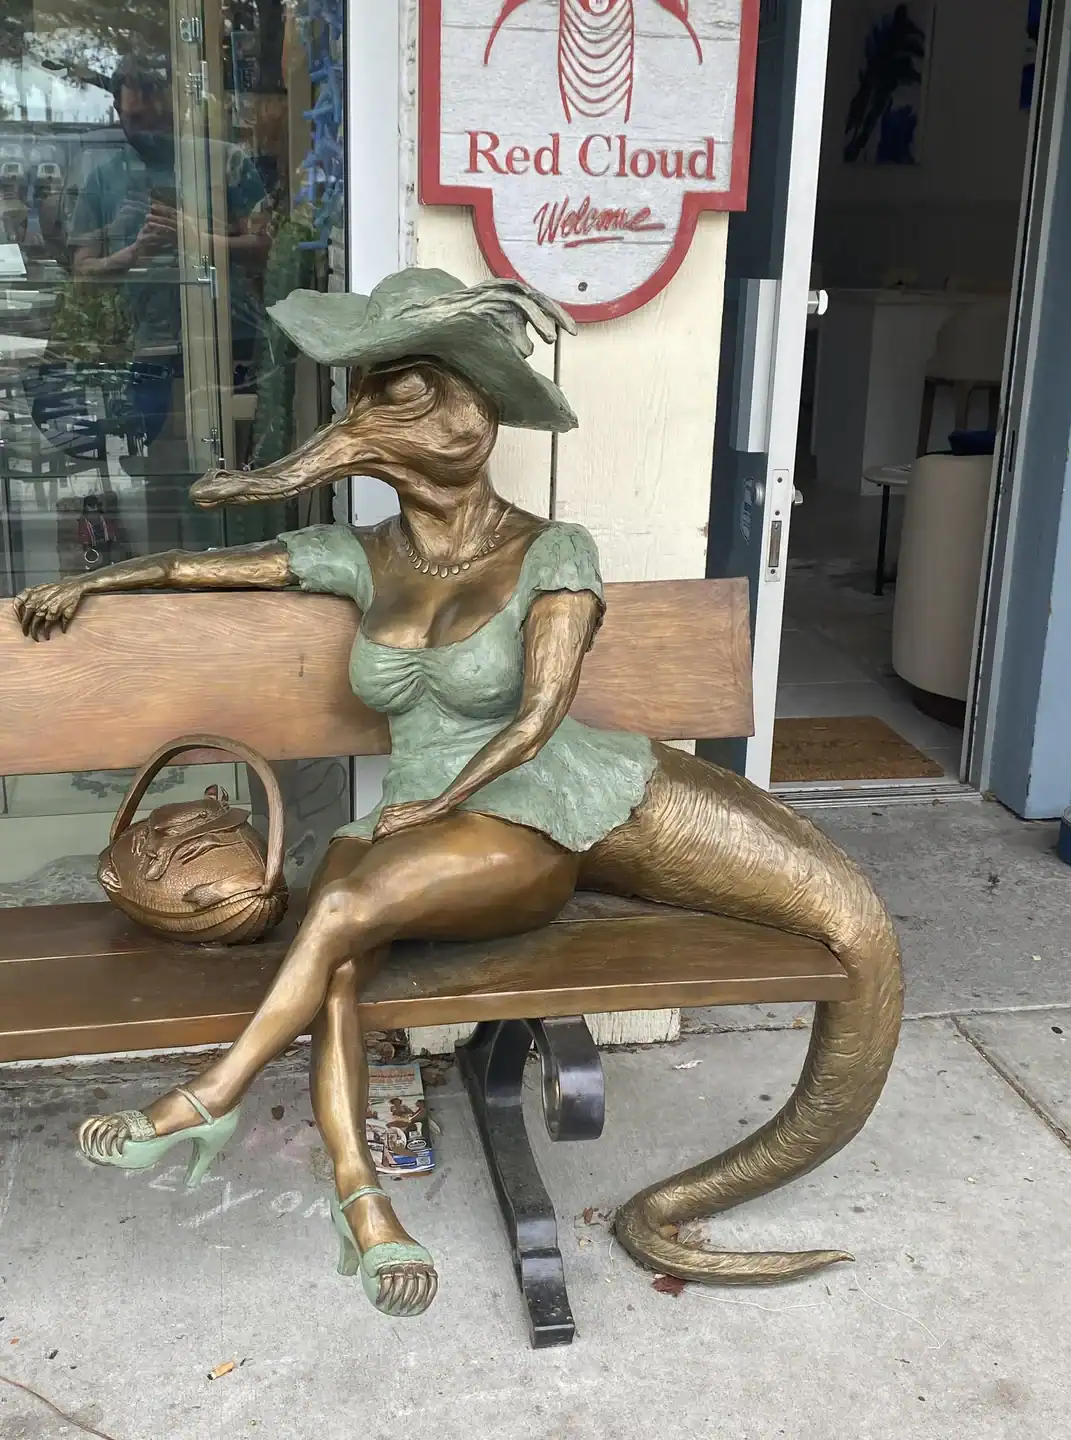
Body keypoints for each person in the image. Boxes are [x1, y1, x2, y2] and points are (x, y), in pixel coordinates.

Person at [13, 269, 902, 1321]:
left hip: (535, 805)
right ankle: (365, 1209)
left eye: (420, 391)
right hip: (410, 823)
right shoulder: (367, 555)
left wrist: (432, 808)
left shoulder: (552, 552)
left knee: (339, 910)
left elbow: (535, 719)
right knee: (334, 960)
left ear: (478, 420)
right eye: (377, 396)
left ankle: (208, 1096)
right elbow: (218, 569)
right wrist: (94, 581)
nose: (390, 416)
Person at [67, 55, 270, 452]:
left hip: (228, 341)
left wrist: (197, 239)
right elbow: (82, 272)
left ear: (177, 108)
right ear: (118, 112)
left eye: (157, 119)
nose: (149, 131)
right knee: (161, 463)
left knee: (243, 462)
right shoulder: (103, 178)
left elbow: (265, 249)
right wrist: (134, 253)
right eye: (136, 120)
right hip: (147, 346)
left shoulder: (224, 161)